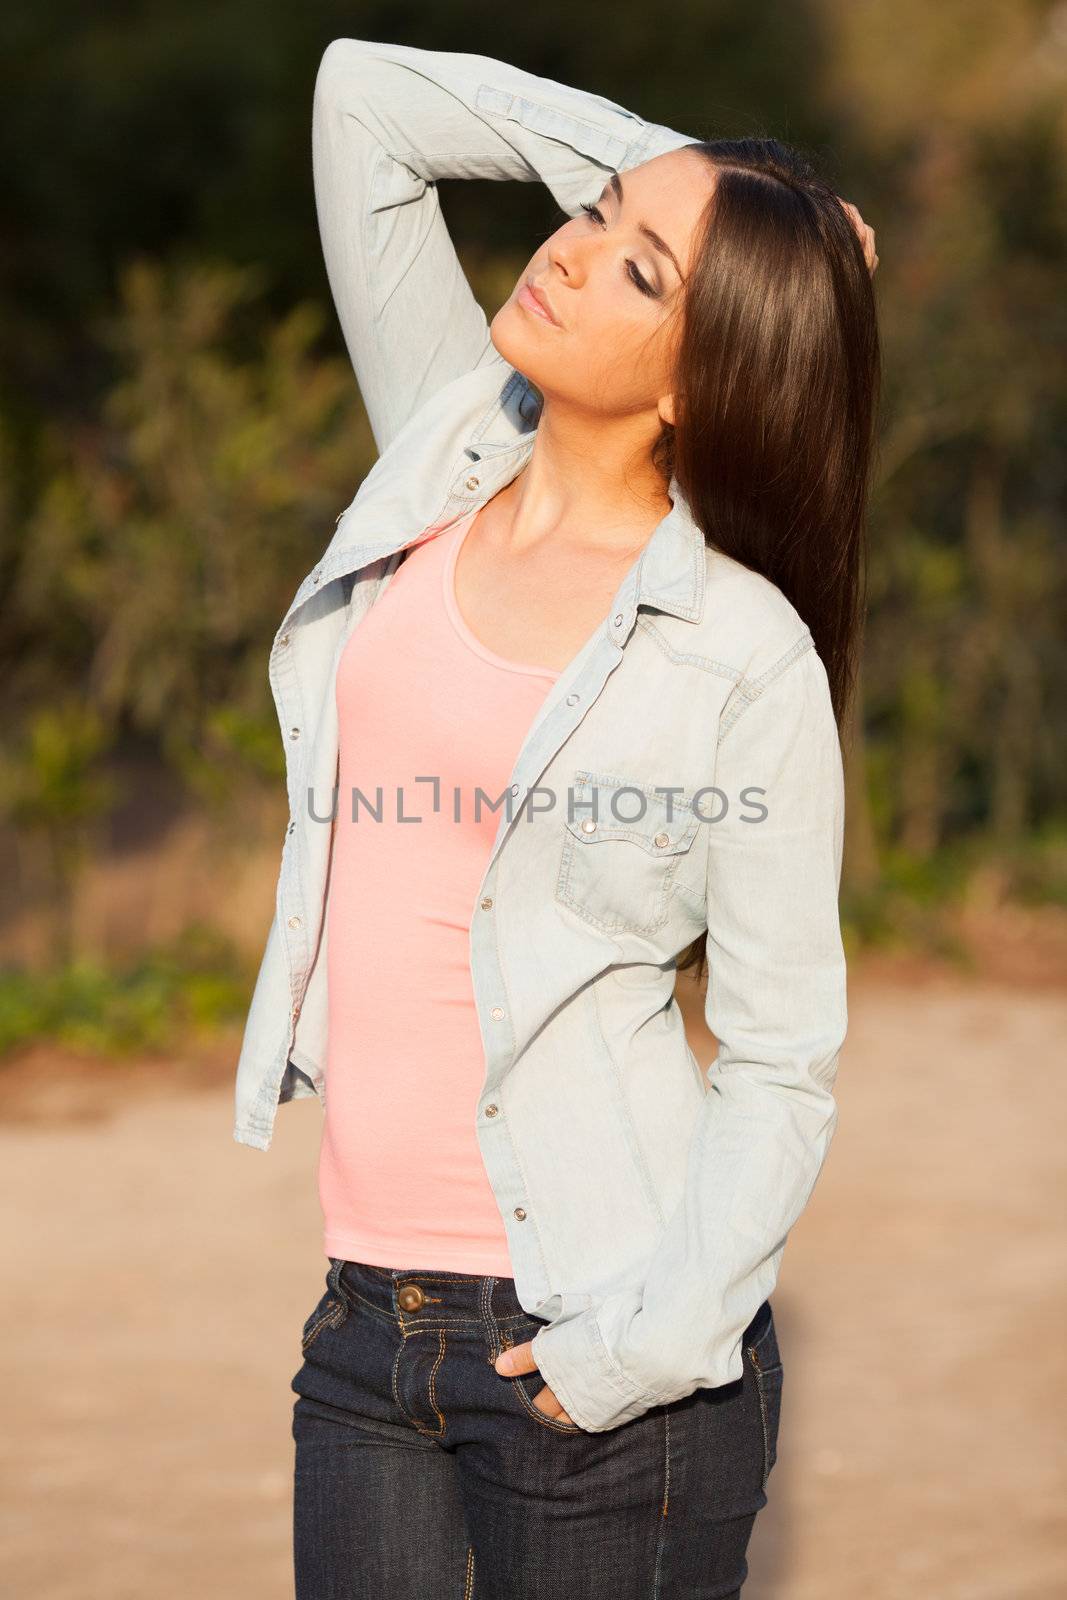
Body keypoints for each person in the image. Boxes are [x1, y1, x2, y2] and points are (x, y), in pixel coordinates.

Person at [232, 36, 879, 1599]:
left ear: (698, 371)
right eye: (593, 213)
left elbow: (786, 1057)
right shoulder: (442, 458)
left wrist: (642, 1348)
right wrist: (747, 187)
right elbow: (360, 99)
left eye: (641, 273)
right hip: (364, 1330)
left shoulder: (738, 650)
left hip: (598, 1344)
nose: (572, 254)